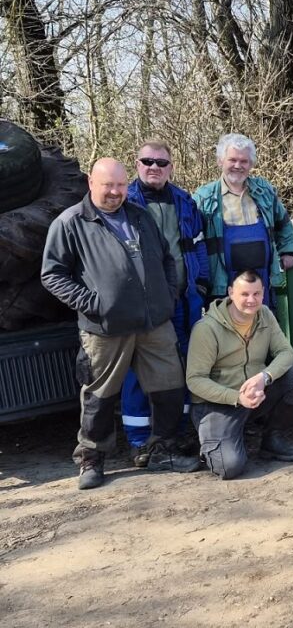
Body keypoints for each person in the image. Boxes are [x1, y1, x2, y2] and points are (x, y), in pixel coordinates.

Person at [41, 158, 200, 489]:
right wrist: (93, 304)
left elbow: (168, 259)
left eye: (120, 185)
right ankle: (91, 459)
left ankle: (163, 451)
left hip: (154, 322)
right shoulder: (71, 223)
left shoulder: (141, 217)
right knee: (100, 395)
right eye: (107, 185)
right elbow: (52, 274)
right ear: (91, 184)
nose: (115, 192)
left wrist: (167, 296)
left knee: (169, 387)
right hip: (105, 328)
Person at [120, 140, 209, 467]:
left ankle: (177, 434)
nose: (154, 167)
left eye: (161, 162)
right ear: (137, 163)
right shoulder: (124, 202)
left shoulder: (185, 201)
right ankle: (140, 441)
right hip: (144, 308)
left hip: (184, 302)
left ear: (171, 166)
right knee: (139, 373)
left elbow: (198, 244)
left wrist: (201, 283)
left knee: (184, 368)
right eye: (148, 161)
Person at [186, 270, 293, 479]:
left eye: (256, 294)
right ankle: (214, 443)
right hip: (217, 404)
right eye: (244, 294)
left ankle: (272, 440)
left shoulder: (265, 314)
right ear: (230, 293)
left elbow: (286, 353)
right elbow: (195, 380)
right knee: (230, 467)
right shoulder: (206, 328)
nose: (251, 300)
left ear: (263, 293)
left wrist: (264, 377)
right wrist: (236, 397)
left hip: (255, 394)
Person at [192, 133, 293, 306]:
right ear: (220, 161)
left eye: (244, 161)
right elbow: (193, 241)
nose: (237, 166)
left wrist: (288, 251)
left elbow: (283, 223)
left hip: (262, 283)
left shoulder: (264, 192)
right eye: (232, 160)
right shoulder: (204, 198)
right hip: (223, 284)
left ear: (251, 164)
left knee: (263, 330)